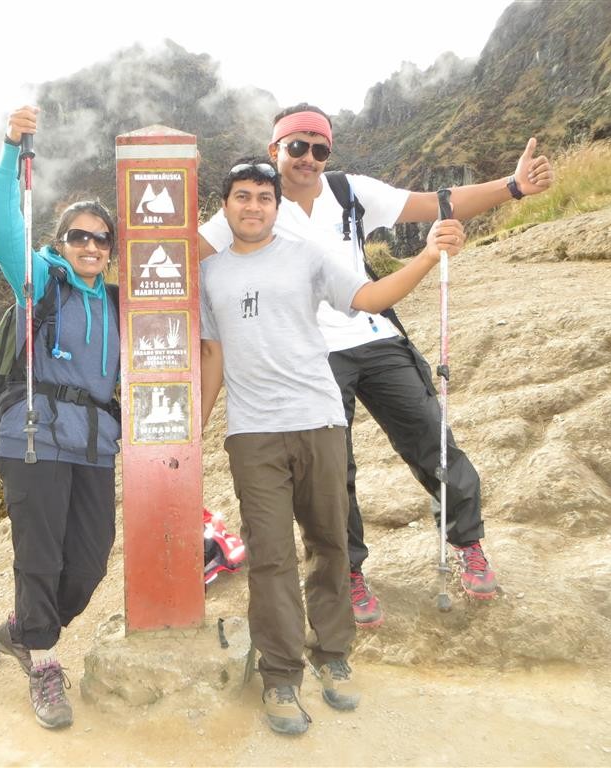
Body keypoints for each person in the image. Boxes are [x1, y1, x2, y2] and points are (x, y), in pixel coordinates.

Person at [199, 103, 555, 627]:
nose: (309, 158)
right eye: (297, 146)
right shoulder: (253, 204)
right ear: (276, 150)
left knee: (430, 437)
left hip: (374, 332)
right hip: (311, 355)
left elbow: (437, 203)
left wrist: (515, 187)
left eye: (320, 149)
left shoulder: (349, 192)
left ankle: (468, 543)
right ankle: (350, 574)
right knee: (332, 472)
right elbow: (179, 253)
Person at [199, 159, 466, 734]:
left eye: (262, 198)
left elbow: (368, 298)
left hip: (319, 418)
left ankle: (334, 653)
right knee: (269, 555)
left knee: (328, 542)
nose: (252, 206)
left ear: (276, 206)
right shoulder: (209, 274)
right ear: (225, 207)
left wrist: (425, 256)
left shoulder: (308, 256)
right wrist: (195, 427)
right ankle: (280, 676)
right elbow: (213, 355)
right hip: (252, 433)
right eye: (240, 197)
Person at [0, 105, 122, 730]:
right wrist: (12, 151)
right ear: (62, 242)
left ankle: (23, 627)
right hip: (35, 437)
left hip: (94, 443)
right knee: (38, 556)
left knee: (90, 560)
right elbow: (2, 235)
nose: (91, 246)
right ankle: (43, 662)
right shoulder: (43, 281)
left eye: (101, 238)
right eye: (79, 236)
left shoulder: (120, 303)